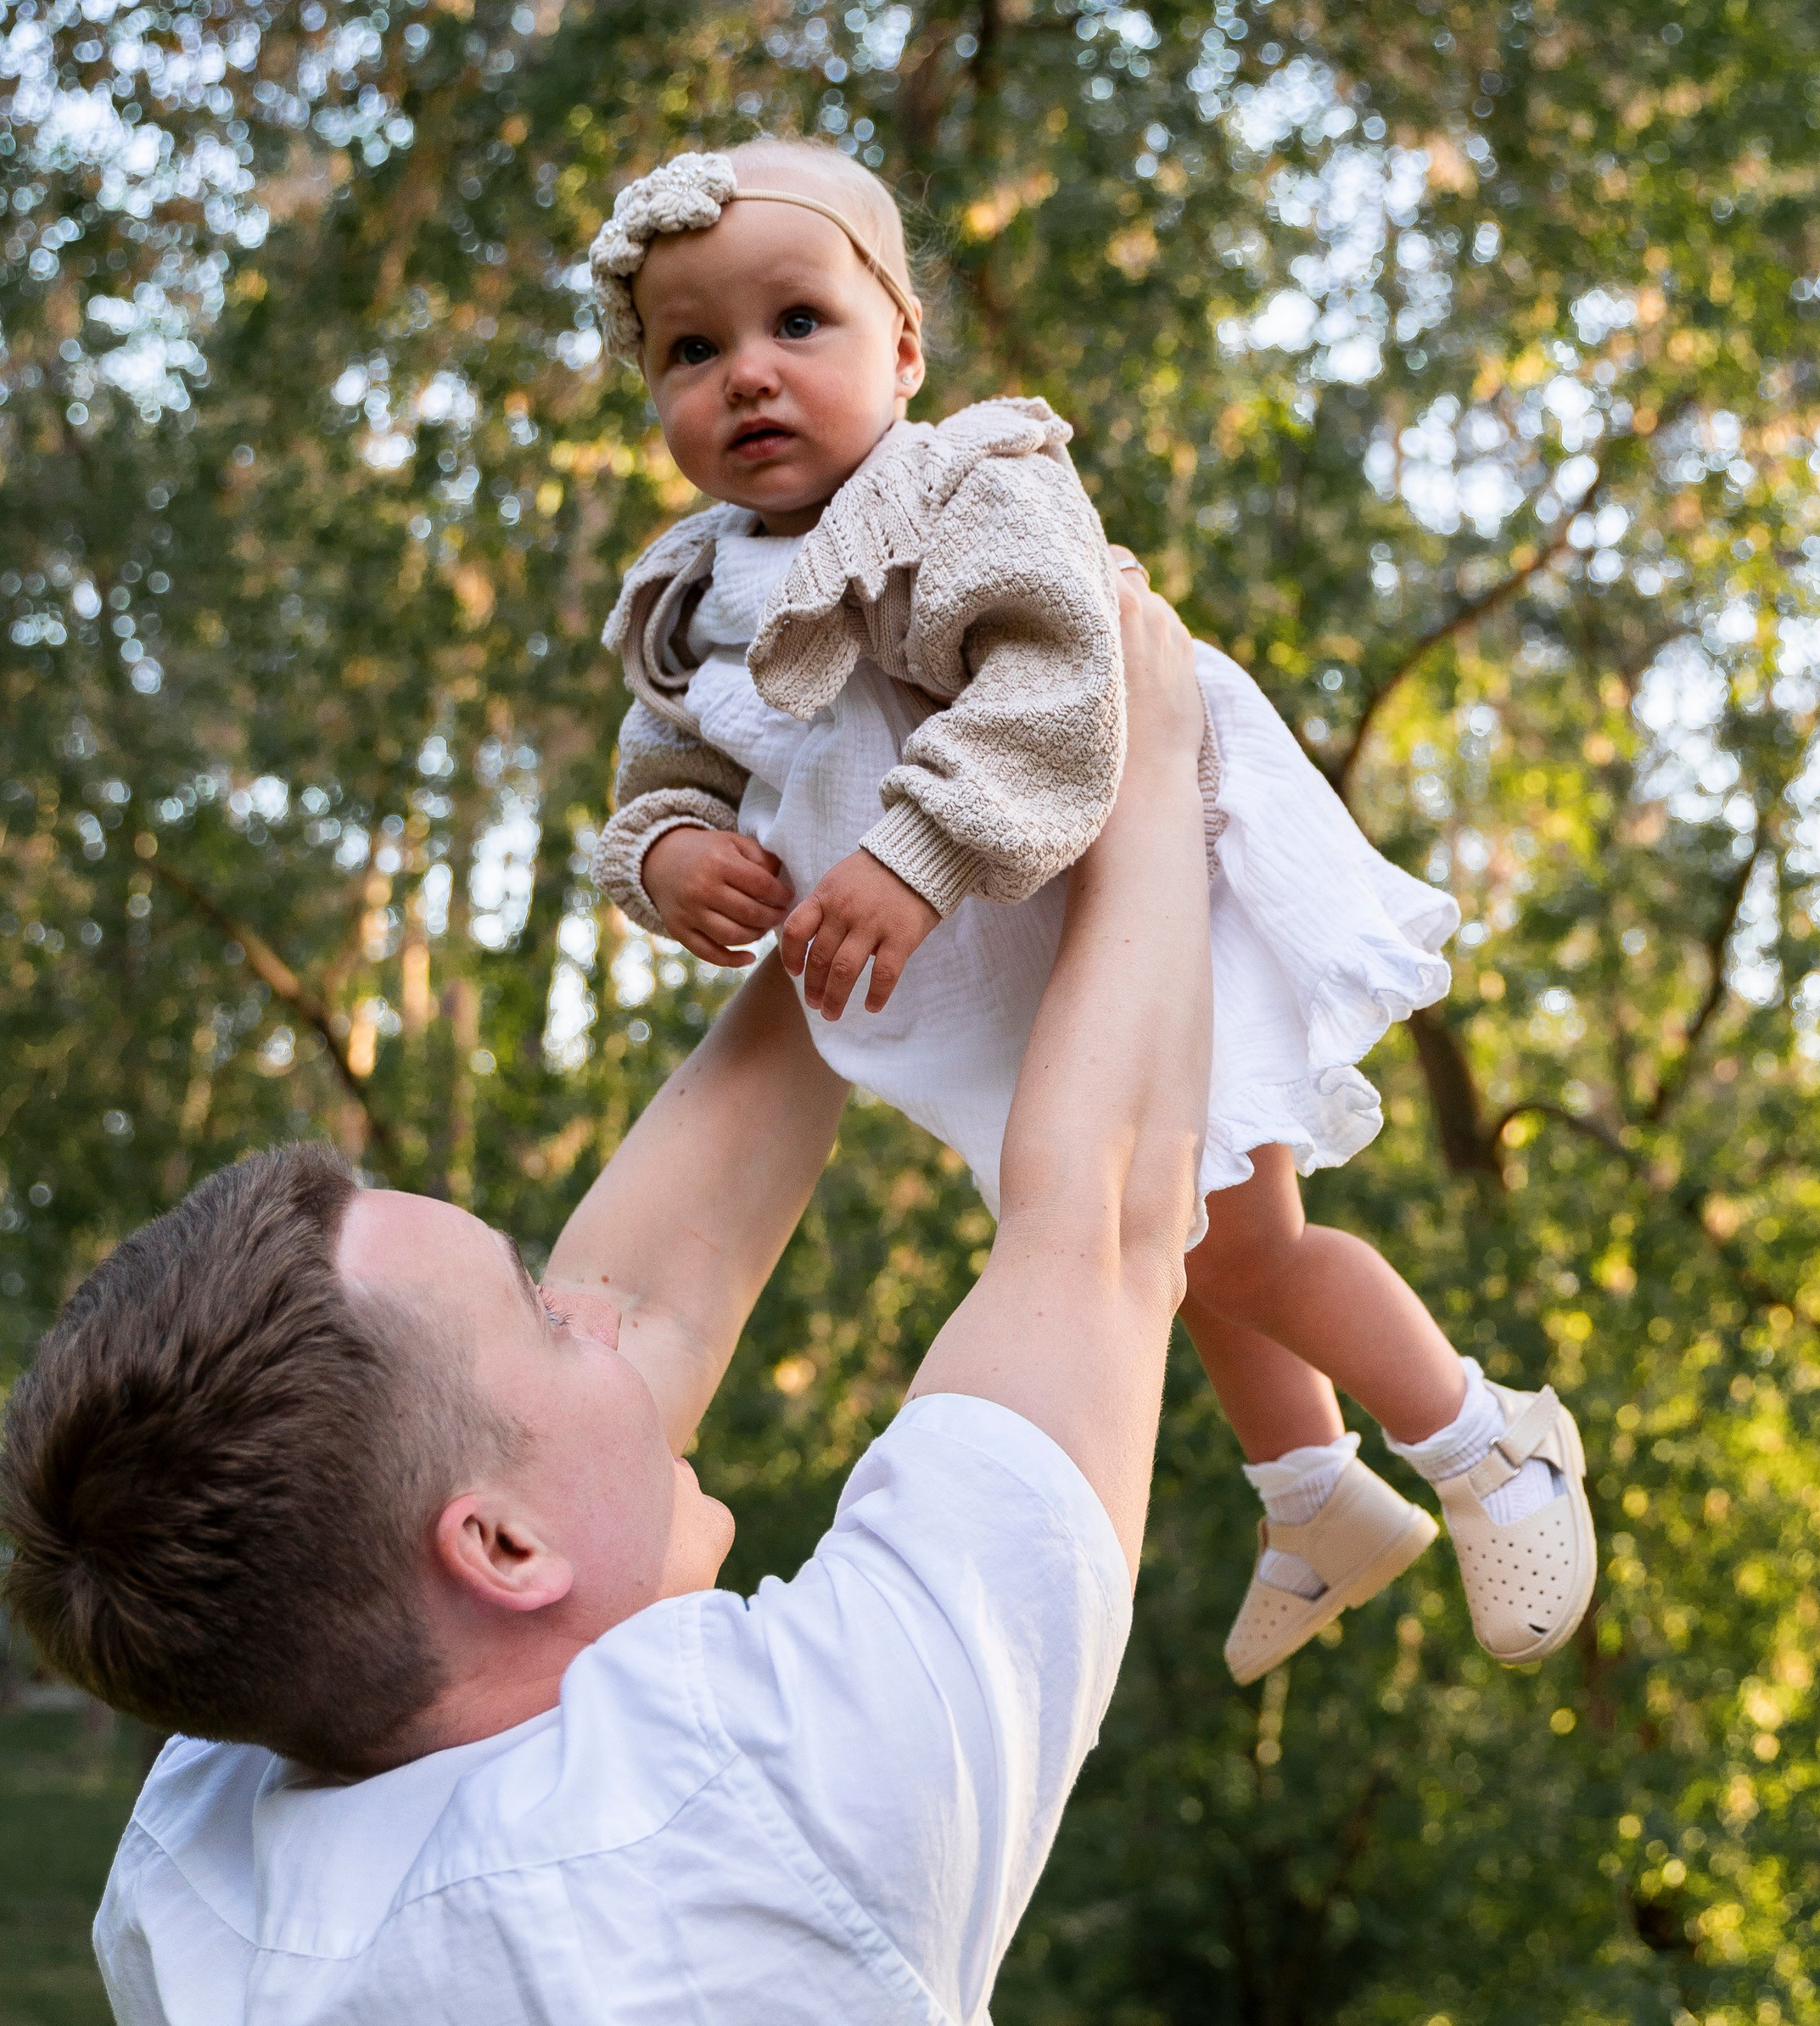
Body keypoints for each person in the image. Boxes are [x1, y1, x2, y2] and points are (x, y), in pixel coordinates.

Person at [0, 582, 1212, 2026]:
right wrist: (1144, 736)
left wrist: (864, 863)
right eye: (542, 1313)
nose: (602, 1314)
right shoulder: (796, 1809)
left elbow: (626, 1323)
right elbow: (1098, 1226)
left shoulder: (195, 1872)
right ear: (491, 1554)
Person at [584, 137, 1595, 1683]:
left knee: (1237, 1246)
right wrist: (665, 860)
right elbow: (662, 776)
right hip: (1009, 980)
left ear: (905, 347)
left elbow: (1063, 686)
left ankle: (1487, 1442)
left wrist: (914, 852)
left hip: (1131, 914)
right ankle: (1314, 1497)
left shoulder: (967, 487)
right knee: (1170, 1241)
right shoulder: (691, 594)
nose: (748, 378)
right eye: (691, 352)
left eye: (799, 324)